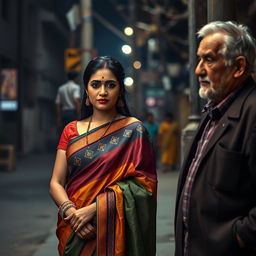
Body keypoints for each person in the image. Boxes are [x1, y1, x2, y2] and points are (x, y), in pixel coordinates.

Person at [50, 56, 157, 256]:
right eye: (96, 85)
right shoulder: (70, 131)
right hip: (73, 228)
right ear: (86, 91)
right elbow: (56, 182)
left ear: (120, 92)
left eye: (110, 85)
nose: (103, 92)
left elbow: (145, 186)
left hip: (114, 228)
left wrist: (94, 210)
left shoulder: (134, 131)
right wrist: (73, 215)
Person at [175, 21, 256, 256]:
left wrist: (238, 237)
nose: (198, 70)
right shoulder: (215, 108)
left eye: (209, 60)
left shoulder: (252, 113)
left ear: (238, 67)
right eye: (199, 59)